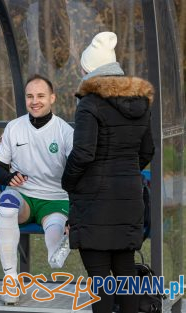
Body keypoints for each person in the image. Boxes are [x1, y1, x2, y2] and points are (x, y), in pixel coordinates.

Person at [61, 32, 155, 313]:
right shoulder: (141, 103)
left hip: (95, 203)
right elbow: (147, 151)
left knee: (99, 277)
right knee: (125, 272)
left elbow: (83, 154)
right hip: (129, 198)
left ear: (89, 70)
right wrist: (125, 173)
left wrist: (68, 182)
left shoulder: (89, 103)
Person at [0, 74, 73, 305]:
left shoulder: (65, 132)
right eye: (30, 96)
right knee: (6, 201)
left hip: (55, 200)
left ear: (52, 98)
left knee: (54, 253)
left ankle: (58, 247)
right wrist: (9, 176)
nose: (35, 101)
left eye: (40, 96)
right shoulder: (14, 127)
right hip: (24, 198)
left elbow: (79, 172)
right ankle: (11, 280)